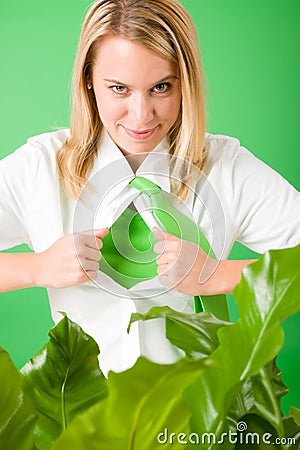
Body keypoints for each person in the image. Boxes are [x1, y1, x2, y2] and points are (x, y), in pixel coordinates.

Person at [0, 0, 299, 375]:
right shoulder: (41, 167)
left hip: (196, 417)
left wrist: (217, 276)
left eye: (161, 87)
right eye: (119, 89)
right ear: (88, 80)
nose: (141, 115)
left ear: (184, 83)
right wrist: (36, 268)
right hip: (79, 419)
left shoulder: (226, 167)